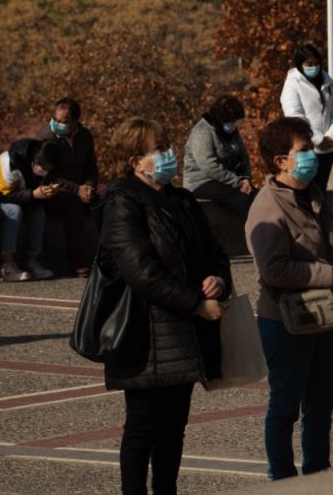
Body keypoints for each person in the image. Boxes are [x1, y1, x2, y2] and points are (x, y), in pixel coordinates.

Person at [97, 116, 232, 495]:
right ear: (135, 161)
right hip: (144, 334)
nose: (169, 154)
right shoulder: (122, 202)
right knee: (142, 428)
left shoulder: (182, 200)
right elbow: (140, 271)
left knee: (174, 428)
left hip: (185, 335)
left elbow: (216, 254)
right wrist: (197, 305)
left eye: (168, 145)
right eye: (159, 149)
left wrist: (218, 281)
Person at [246, 116, 333, 481]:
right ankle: (282, 479)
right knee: (284, 408)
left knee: (321, 408)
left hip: (329, 318)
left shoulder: (314, 195)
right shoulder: (268, 207)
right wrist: (330, 275)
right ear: (281, 161)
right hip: (286, 323)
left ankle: (318, 475)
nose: (311, 154)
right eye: (304, 149)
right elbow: (274, 270)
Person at [0, 139, 62, 282]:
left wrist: (50, 189)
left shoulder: (42, 161)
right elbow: (5, 195)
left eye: (48, 168)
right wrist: (33, 194)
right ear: (34, 158)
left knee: (38, 211)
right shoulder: (9, 163)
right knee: (13, 210)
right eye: (43, 167)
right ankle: (7, 266)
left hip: (17, 197)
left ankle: (33, 261)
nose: (44, 171)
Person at [36, 97, 98, 277]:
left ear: (75, 121)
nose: (57, 124)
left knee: (110, 200)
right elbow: (44, 174)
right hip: (54, 190)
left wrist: (88, 186)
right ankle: (77, 261)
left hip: (82, 187)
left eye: (63, 122)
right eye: (55, 120)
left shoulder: (85, 137)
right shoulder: (46, 137)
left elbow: (91, 167)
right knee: (73, 204)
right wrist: (76, 189)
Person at [279, 43, 333, 191]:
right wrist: (318, 139)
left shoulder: (327, 81)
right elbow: (295, 117)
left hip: (327, 150)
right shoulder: (292, 84)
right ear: (300, 65)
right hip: (305, 150)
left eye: (316, 63)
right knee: (306, 191)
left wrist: (331, 137)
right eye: (309, 64)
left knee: (321, 190)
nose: (314, 67)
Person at [183, 95, 254, 219]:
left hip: (228, 178)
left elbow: (243, 154)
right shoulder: (202, 132)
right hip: (201, 181)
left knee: (256, 196)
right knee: (242, 200)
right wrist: (237, 183)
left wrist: (245, 177)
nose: (234, 125)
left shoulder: (232, 131)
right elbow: (209, 166)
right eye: (231, 122)